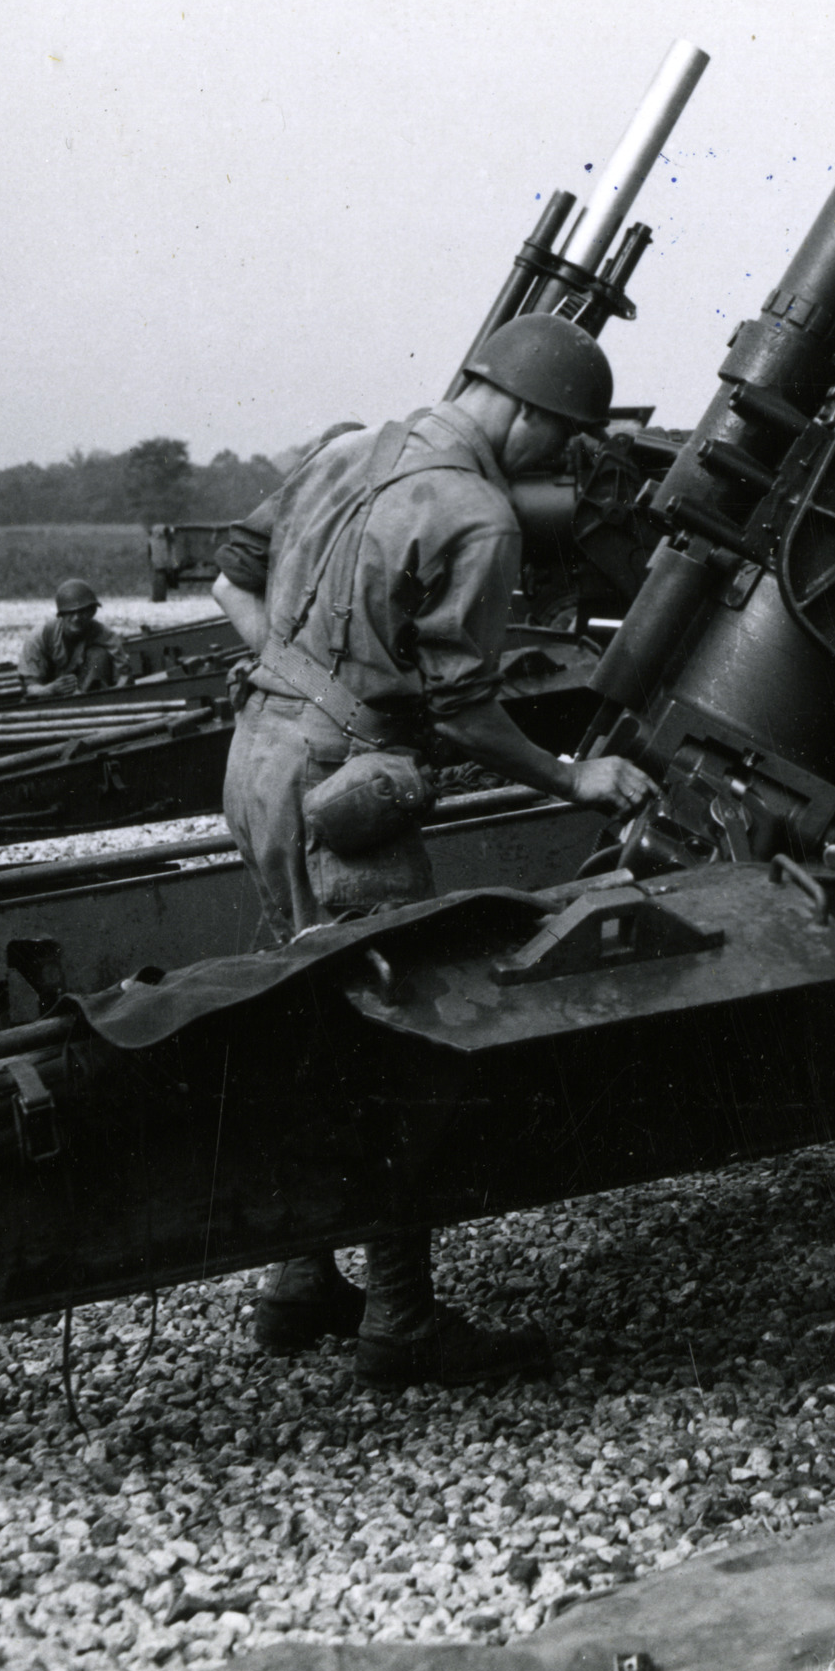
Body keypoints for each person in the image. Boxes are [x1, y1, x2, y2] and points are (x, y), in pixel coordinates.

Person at [207, 316, 659, 1386]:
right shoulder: (478, 515)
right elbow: (462, 713)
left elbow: (233, 576)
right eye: (565, 435)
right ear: (531, 411)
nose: (560, 459)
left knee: (302, 1006)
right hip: (344, 799)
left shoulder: (345, 448)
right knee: (388, 1036)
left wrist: (300, 681)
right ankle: (401, 1318)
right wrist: (574, 775)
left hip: (257, 767)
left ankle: (299, 1279)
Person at [18, 579, 124, 699]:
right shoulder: (39, 638)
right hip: (48, 696)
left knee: (99, 655)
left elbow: (124, 674)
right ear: (61, 615)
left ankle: (89, 697)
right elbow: (30, 688)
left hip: (88, 692)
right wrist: (51, 689)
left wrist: (117, 691)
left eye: (82, 612)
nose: (76, 618)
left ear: (91, 612)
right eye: (70, 613)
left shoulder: (104, 634)